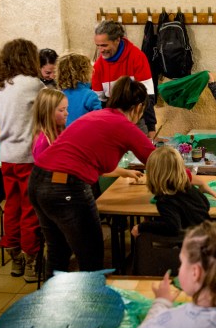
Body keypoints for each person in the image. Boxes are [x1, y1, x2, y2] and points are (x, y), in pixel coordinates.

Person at [29, 77, 154, 276]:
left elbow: (85, 158)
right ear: (139, 107)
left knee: (58, 251)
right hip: (66, 187)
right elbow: (160, 162)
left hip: (38, 181)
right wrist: (197, 181)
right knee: (90, 255)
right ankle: (90, 295)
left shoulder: (97, 116)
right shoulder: (124, 125)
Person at [0, 38, 44, 282]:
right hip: (28, 155)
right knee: (30, 209)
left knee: (12, 206)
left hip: (7, 154)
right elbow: (48, 113)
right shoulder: (33, 84)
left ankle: (15, 257)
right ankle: (31, 259)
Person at [130, 146, 216, 239]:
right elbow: (206, 205)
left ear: (152, 174)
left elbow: (172, 227)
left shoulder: (165, 201)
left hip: (195, 243)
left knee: (143, 238)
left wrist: (142, 227)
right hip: (209, 236)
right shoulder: (190, 187)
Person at [91, 20, 157, 139]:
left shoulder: (137, 57)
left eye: (104, 45)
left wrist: (151, 129)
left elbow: (147, 97)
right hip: (111, 122)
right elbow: (98, 103)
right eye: (98, 45)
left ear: (117, 40)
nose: (101, 50)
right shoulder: (98, 66)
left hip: (137, 120)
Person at [56, 52, 101, 126]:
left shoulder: (57, 95)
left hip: (63, 132)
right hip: (84, 132)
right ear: (85, 73)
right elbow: (99, 120)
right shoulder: (89, 95)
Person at [31, 87, 67, 160]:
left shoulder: (59, 130)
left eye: (66, 109)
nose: (66, 113)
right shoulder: (43, 143)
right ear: (47, 113)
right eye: (61, 110)